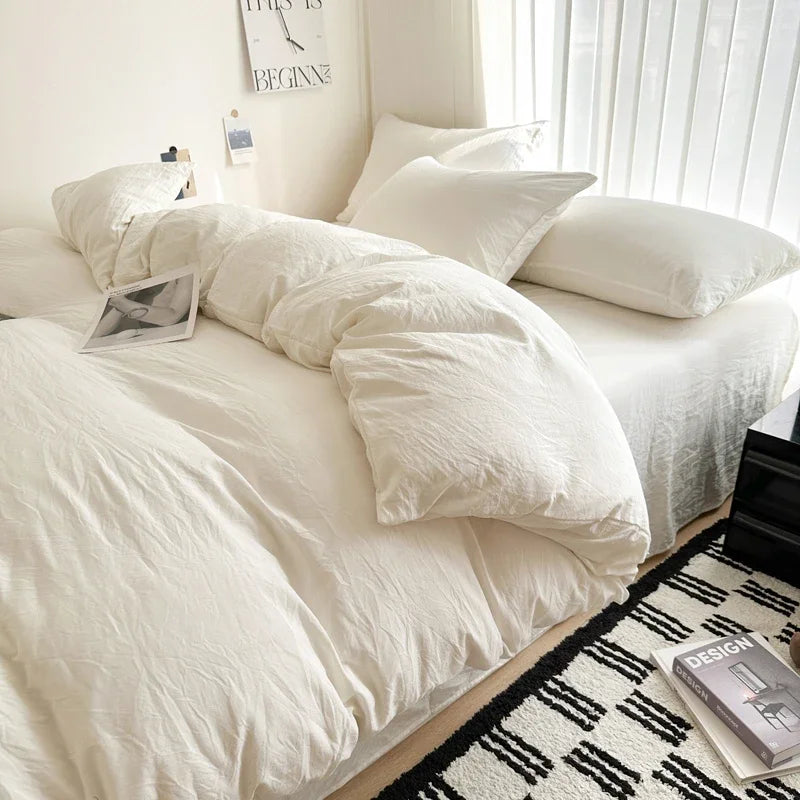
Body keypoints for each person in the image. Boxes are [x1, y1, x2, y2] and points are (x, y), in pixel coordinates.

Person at [94, 276, 193, 338]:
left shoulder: (185, 276)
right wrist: (122, 299)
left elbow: (172, 317)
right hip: (142, 337)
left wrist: (121, 302)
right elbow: (98, 333)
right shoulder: (143, 274)